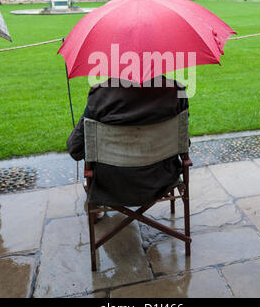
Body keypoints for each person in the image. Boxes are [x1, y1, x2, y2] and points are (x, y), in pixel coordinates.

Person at [67, 76, 189, 217]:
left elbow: (75, 149)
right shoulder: (176, 91)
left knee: (90, 161)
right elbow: (184, 142)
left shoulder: (100, 95)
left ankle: (95, 209)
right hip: (162, 180)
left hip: (111, 184)